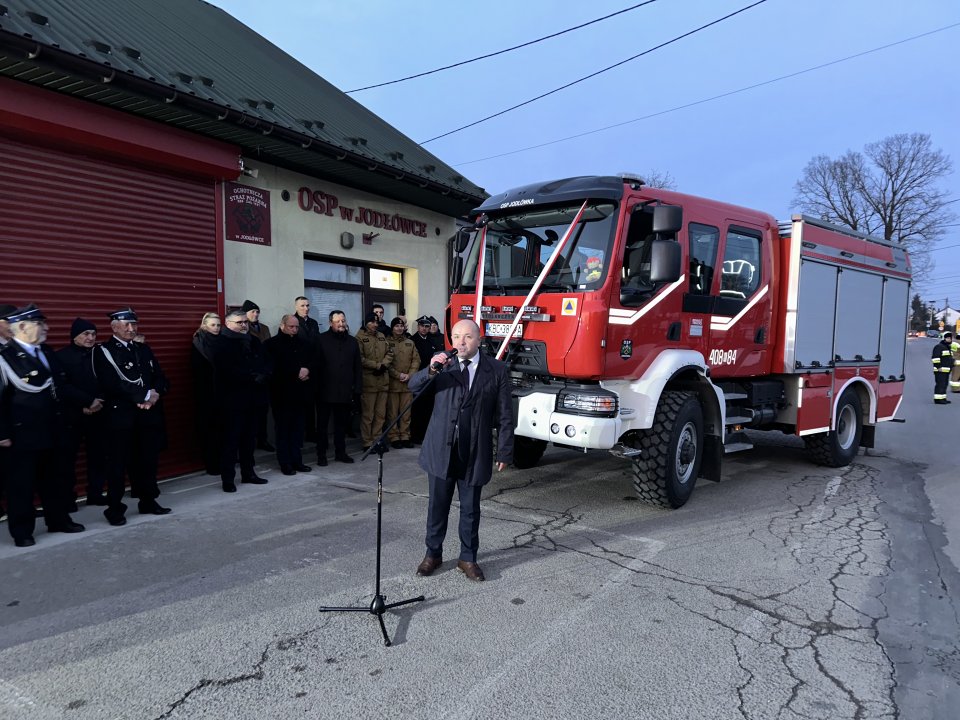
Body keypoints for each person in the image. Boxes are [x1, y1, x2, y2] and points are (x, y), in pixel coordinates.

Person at [409, 319, 514, 582]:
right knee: (437, 506)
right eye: (456, 337)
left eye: (467, 337)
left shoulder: (497, 370)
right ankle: (433, 554)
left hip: (473, 452)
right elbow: (413, 386)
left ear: (479, 340)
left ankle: (468, 558)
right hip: (441, 450)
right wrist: (431, 370)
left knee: (470, 509)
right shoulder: (443, 366)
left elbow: (504, 415)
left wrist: (504, 451)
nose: (461, 342)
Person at [0, 304, 85, 546]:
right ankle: (22, 531)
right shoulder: (5, 358)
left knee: (55, 479)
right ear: (23, 327)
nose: (46, 328)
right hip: (22, 433)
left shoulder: (46, 353)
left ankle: (58, 520)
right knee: (21, 485)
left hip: (54, 430)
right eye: (40, 323)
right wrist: (2, 433)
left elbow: (60, 387)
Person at [93, 307, 171, 525]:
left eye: (134, 324)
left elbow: (158, 376)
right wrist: (143, 395)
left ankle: (148, 501)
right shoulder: (103, 351)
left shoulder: (143, 349)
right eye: (126, 324)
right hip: (121, 418)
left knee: (147, 461)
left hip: (147, 416)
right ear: (114, 326)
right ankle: (115, 509)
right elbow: (110, 383)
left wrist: (156, 394)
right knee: (118, 465)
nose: (131, 328)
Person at [211, 309, 270, 492]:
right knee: (230, 441)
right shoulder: (221, 343)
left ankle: (248, 473)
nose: (244, 325)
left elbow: (265, 361)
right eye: (239, 322)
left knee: (249, 439)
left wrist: (263, 374)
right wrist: (251, 376)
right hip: (232, 401)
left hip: (253, 399)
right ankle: (228, 479)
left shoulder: (253, 341)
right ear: (228, 324)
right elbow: (226, 370)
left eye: (245, 322)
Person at [56, 318, 108, 506]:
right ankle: (68, 499)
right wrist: (85, 402)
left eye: (93, 334)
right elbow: (62, 386)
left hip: (98, 412)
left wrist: (98, 401)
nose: (90, 337)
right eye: (86, 334)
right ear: (74, 336)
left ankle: (95, 493)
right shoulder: (62, 356)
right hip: (73, 415)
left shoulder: (100, 354)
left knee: (98, 456)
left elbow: (108, 379)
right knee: (67, 459)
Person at [263, 315, 313, 475]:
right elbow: (273, 369)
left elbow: (312, 360)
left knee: (298, 431)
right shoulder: (271, 345)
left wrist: (307, 370)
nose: (294, 329)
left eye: (297, 327)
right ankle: (285, 463)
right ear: (282, 325)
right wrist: (295, 372)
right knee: (283, 431)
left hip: (300, 394)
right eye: (291, 326)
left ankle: (297, 461)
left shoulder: (303, 343)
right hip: (281, 395)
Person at [315, 310, 361, 465]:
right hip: (325, 391)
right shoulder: (321, 340)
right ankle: (321, 455)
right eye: (337, 322)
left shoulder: (352, 342)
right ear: (330, 323)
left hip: (345, 391)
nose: (341, 324)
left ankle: (340, 453)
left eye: (343, 321)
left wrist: (357, 389)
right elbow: (315, 366)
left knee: (341, 426)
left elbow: (357, 368)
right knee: (322, 426)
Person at [356, 312, 394, 451]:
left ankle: (377, 440)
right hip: (369, 382)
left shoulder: (381, 336)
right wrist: (377, 366)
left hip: (383, 381)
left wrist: (384, 364)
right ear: (366, 322)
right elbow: (360, 358)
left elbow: (390, 352)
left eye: (377, 322)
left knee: (380, 414)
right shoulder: (359, 338)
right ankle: (367, 442)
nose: (375, 325)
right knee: (368, 415)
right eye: (372, 322)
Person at [190, 312, 221, 475]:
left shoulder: (223, 341)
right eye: (212, 325)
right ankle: (211, 464)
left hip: (222, 392)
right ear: (204, 326)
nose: (216, 328)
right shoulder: (198, 343)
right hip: (206, 394)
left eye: (218, 325)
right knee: (209, 430)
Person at [386, 316, 420, 449]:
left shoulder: (409, 343)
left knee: (406, 412)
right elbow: (386, 363)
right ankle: (394, 437)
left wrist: (410, 374)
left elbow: (416, 360)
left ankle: (405, 436)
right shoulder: (387, 342)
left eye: (401, 326)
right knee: (393, 413)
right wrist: (397, 374)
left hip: (407, 384)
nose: (399, 328)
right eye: (396, 326)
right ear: (392, 327)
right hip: (393, 383)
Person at [293, 296, 320, 440]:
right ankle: (300, 434)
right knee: (299, 405)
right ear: (296, 307)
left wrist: (311, 367)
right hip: (299, 370)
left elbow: (317, 345)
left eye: (308, 305)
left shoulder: (314, 323)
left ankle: (311, 432)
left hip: (312, 368)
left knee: (311, 404)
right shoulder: (292, 322)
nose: (306, 308)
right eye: (303, 305)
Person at [410, 315, 437, 445]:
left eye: (427, 326)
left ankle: (425, 435)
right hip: (419, 379)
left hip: (430, 379)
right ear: (418, 326)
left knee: (428, 409)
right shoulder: (412, 340)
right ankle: (415, 435)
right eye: (422, 326)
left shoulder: (432, 341)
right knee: (417, 409)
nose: (425, 329)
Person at [932, 331, 954, 404]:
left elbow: (949, 358)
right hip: (940, 370)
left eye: (950, 338)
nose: (950, 340)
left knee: (944, 385)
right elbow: (935, 358)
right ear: (944, 339)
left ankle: (943, 398)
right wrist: (938, 367)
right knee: (940, 385)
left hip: (946, 370)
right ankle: (938, 399)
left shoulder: (947, 347)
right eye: (948, 338)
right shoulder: (939, 347)